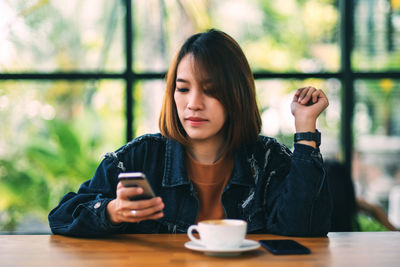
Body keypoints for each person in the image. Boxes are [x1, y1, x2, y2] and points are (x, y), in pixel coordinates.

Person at [48, 29, 331, 237]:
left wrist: (305, 129)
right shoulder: (139, 158)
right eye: (183, 89)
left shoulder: (267, 159)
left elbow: (305, 229)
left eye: (210, 90)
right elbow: (61, 217)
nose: (193, 103)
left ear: (237, 95)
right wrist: (111, 212)